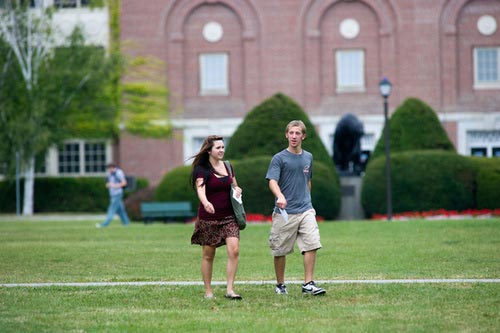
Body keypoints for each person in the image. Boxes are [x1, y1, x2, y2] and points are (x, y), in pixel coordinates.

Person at [266, 120, 326, 296]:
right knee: (280, 250)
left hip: (306, 209)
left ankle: (308, 283)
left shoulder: (308, 157)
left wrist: (307, 199)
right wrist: (280, 196)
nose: (294, 136)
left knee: (312, 243)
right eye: (291, 133)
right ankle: (280, 285)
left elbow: (308, 180)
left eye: (297, 133)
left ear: (303, 136)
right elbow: (272, 181)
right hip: (284, 212)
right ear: (286, 135)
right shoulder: (279, 158)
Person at [190, 135, 243, 300]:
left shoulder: (228, 166)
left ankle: (230, 289)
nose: (221, 150)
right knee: (208, 255)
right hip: (209, 218)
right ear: (209, 151)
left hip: (229, 217)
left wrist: (238, 189)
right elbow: (200, 189)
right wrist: (205, 202)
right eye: (218, 148)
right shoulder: (202, 169)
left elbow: (234, 185)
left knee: (234, 250)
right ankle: (208, 291)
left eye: (222, 147)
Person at [96, 163, 130, 228]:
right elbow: (111, 182)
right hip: (113, 194)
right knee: (120, 210)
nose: (108, 170)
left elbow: (124, 183)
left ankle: (105, 224)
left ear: (112, 168)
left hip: (117, 193)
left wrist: (113, 186)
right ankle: (126, 223)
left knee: (111, 209)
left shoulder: (119, 173)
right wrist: (109, 185)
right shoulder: (110, 174)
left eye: (109, 169)